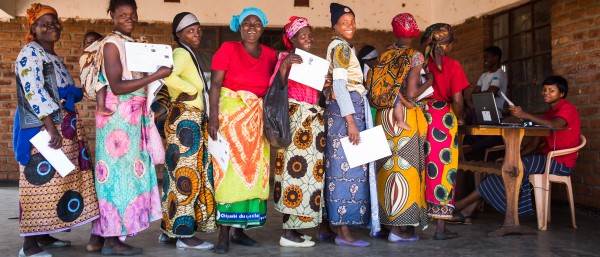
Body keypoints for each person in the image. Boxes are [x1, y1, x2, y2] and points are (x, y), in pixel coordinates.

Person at [14, 3, 100, 257]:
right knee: (38, 185)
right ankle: (29, 247)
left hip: (63, 125)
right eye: (44, 23)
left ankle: (44, 237)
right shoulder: (29, 53)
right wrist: (51, 128)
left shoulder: (51, 55)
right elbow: (34, 93)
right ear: (33, 28)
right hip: (42, 129)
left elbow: (62, 89)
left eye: (54, 22)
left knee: (56, 183)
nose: (51, 26)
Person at [90, 0, 173, 255]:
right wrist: (156, 75)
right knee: (117, 177)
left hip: (131, 116)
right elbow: (116, 86)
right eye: (122, 14)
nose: (129, 18)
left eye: (132, 14)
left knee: (121, 175)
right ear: (112, 15)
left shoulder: (132, 43)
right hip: (118, 117)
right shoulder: (112, 44)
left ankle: (99, 238)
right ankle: (114, 240)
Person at [451, 76, 581, 222]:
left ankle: (459, 206)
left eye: (552, 90)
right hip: (545, 159)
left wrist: (525, 115)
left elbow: (554, 125)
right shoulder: (548, 114)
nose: (546, 93)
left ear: (561, 94)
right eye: (544, 89)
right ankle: (467, 211)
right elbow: (533, 145)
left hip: (560, 163)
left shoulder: (566, 108)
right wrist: (512, 156)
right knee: (507, 166)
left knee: (511, 169)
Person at [208, 7, 277, 254]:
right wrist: (213, 118)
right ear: (239, 26)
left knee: (253, 175)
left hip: (256, 121)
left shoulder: (270, 55)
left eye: (257, 23)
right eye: (247, 22)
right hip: (230, 117)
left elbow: (277, 84)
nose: (251, 27)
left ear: (263, 28)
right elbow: (215, 84)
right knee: (229, 174)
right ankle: (223, 234)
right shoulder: (228, 48)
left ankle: (240, 230)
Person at [271, 16, 330, 248]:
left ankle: (295, 230)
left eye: (309, 35)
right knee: (292, 175)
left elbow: (318, 96)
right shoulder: (286, 59)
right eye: (302, 36)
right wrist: (285, 66)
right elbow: (276, 89)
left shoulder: (314, 63)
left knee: (308, 178)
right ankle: (287, 232)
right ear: (292, 39)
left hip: (313, 124)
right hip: (295, 123)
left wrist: (325, 85)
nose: (308, 39)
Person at [158, 12, 215, 250]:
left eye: (198, 29)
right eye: (190, 31)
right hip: (185, 121)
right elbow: (167, 73)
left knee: (177, 176)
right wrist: (190, 88)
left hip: (186, 120)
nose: (196, 34)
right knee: (186, 176)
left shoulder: (189, 54)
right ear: (179, 35)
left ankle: (169, 231)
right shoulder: (180, 53)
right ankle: (184, 235)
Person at [372, 13, 432, 243]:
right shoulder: (414, 56)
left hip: (384, 116)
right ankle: (399, 230)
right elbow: (412, 92)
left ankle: (388, 225)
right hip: (404, 117)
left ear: (395, 31)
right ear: (414, 33)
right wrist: (431, 81)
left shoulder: (386, 54)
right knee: (405, 170)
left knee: (386, 169)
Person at [324, 3, 376, 247]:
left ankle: (330, 227)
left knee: (342, 169)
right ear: (334, 26)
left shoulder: (341, 47)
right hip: (347, 114)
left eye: (352, 21)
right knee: (347, 173)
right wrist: (351, 122)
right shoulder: (341, 47)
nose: (350, 26)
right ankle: (343, 233)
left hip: (347, 111)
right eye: (344, 22)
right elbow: (340, 87)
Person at [420, 23, 469, 240]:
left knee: (423, 168)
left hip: (421, 116)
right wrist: (458, 117)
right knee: (443, 170)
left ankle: (411, 224)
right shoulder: (452, 65)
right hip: (443, 119)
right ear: (447, 45)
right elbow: (458, 99)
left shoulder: (421, 64)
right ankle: (440, 228)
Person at [463, 46, 507, 156]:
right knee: (470, 132)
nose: (485, 60)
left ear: (496, 57)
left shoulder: (500, 73)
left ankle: (471, 150)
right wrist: (484, 94)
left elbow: (490, 93)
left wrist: (482, 94)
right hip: (480, 113)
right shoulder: (484, 75)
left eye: (487, 57)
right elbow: (473, 95)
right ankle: (470, 153)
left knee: (491, 138)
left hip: (495, 114)